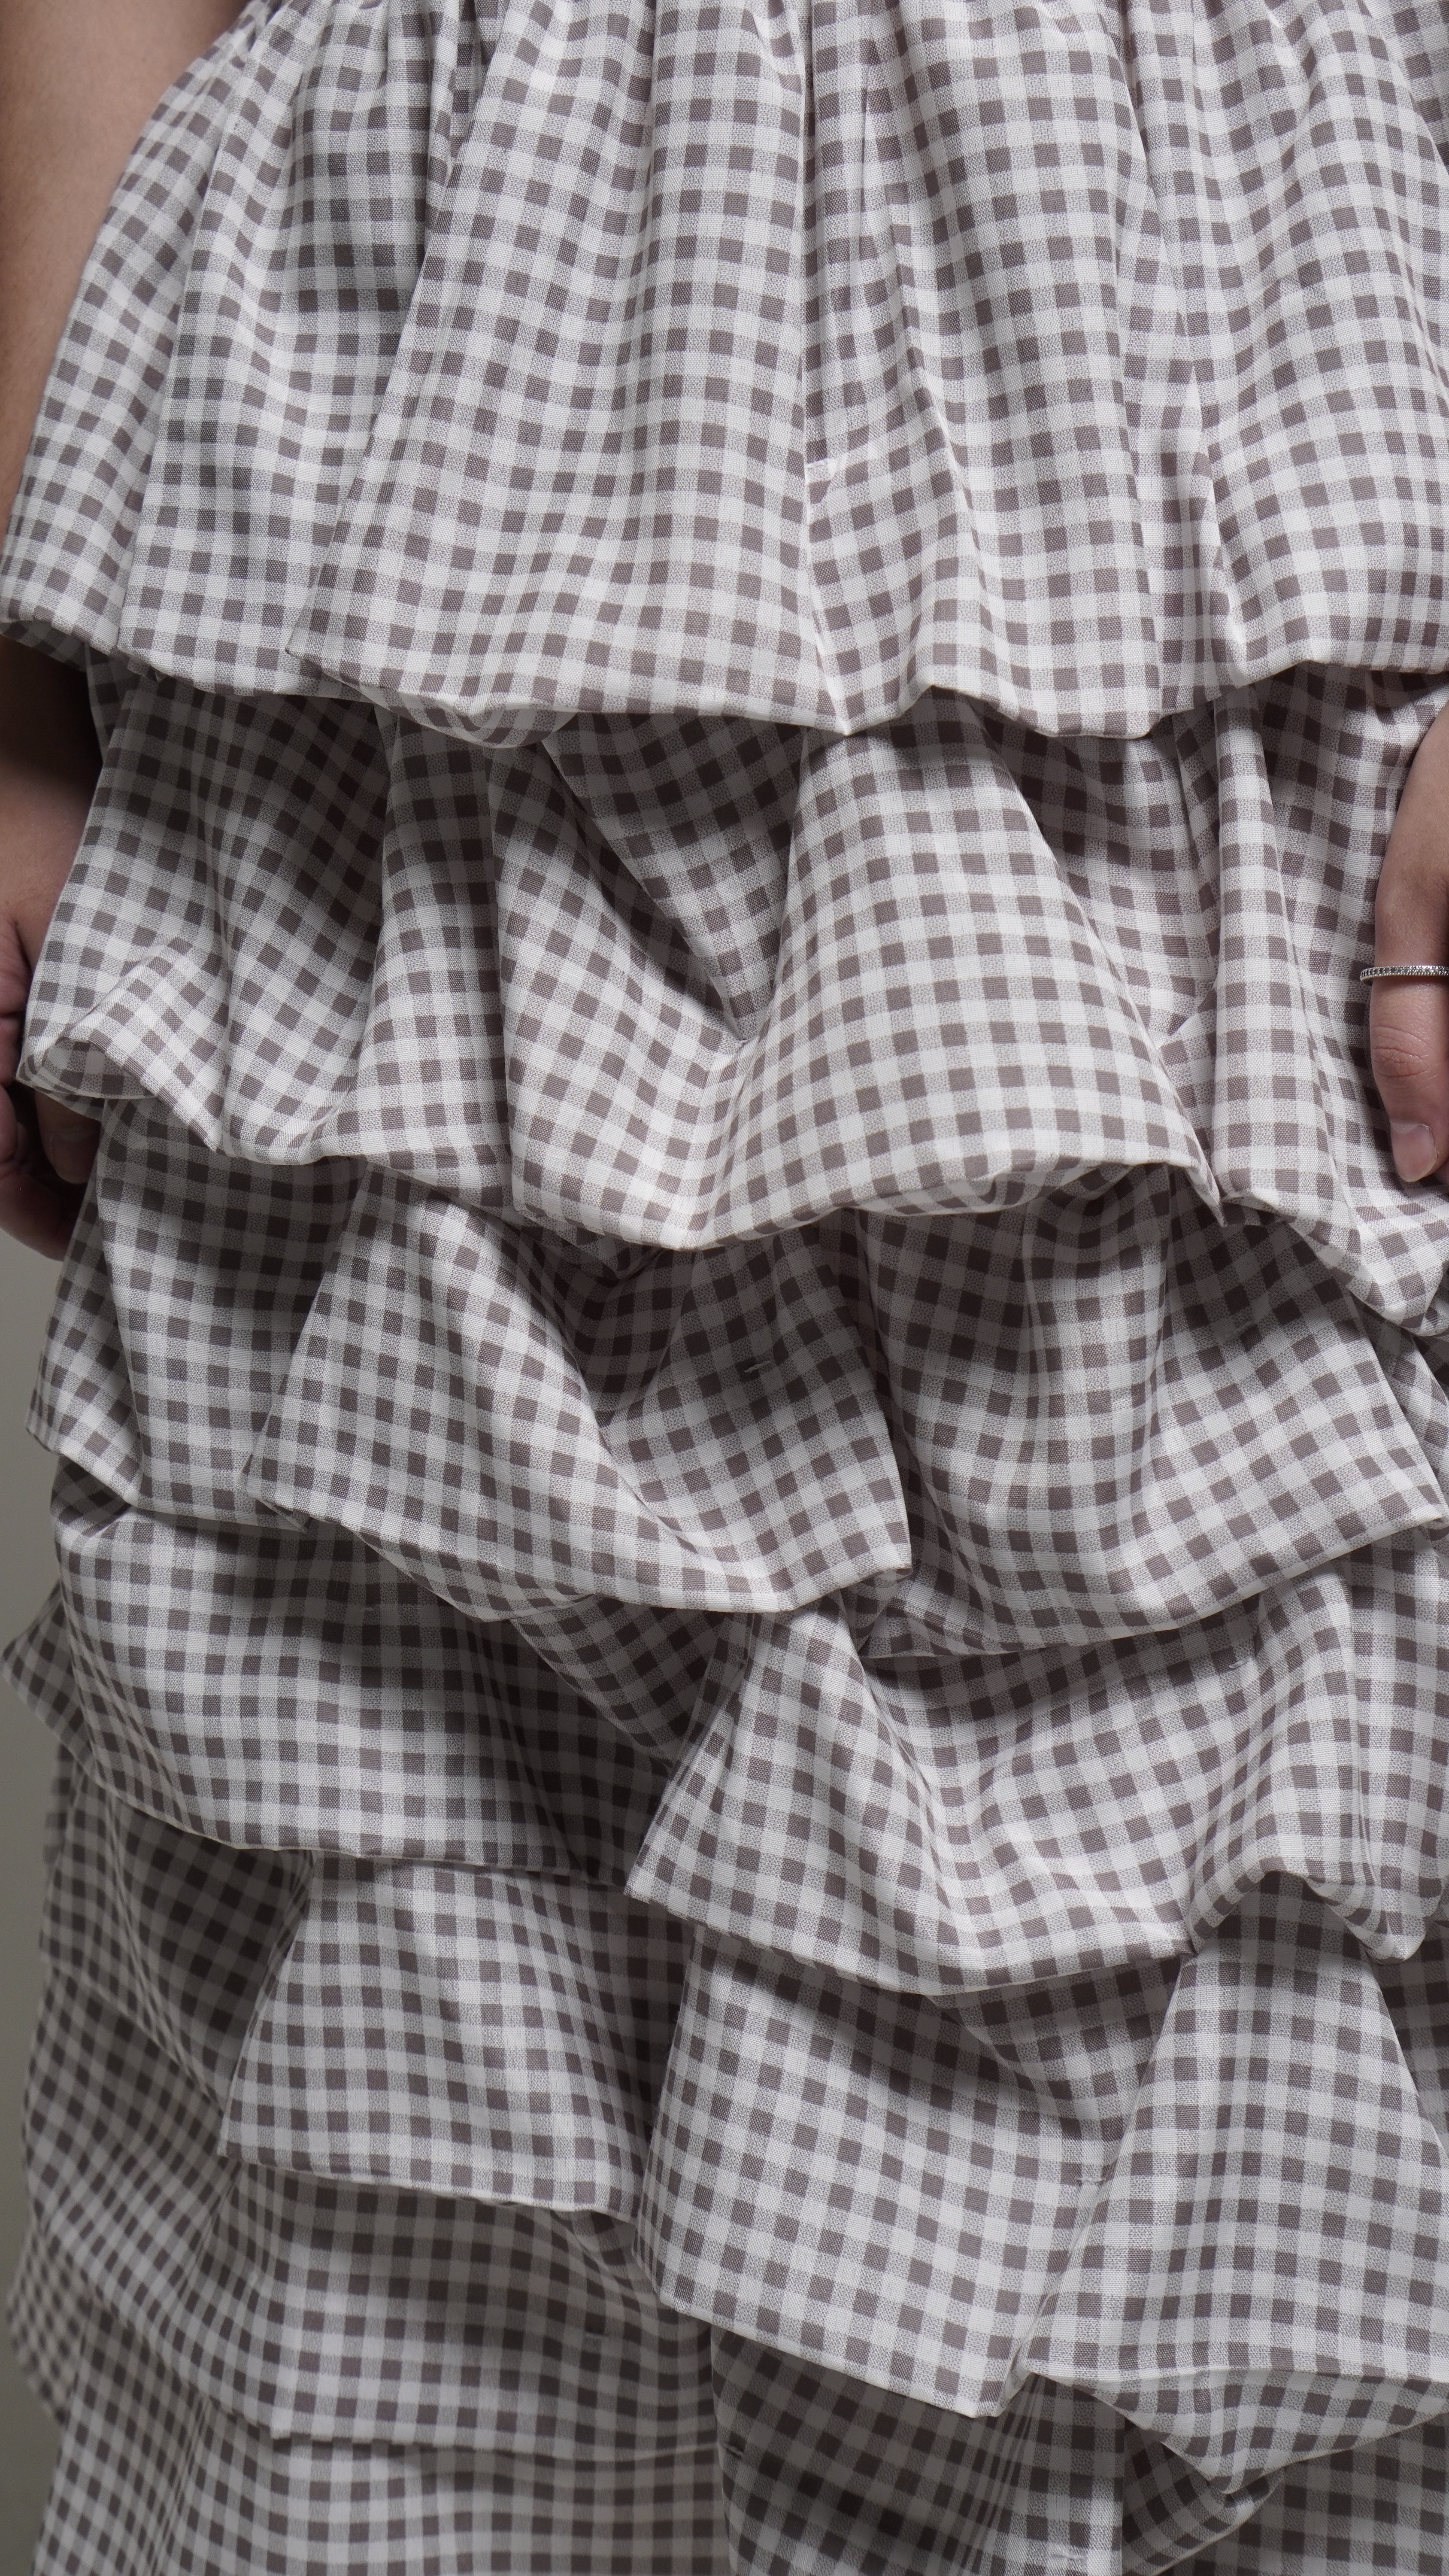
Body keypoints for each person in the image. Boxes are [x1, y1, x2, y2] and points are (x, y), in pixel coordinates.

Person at [7, 0, 1449, 2567]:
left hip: (1246, 540)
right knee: (400, 2232)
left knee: (1258, 2227)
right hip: (374, 571)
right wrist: (21, 628)